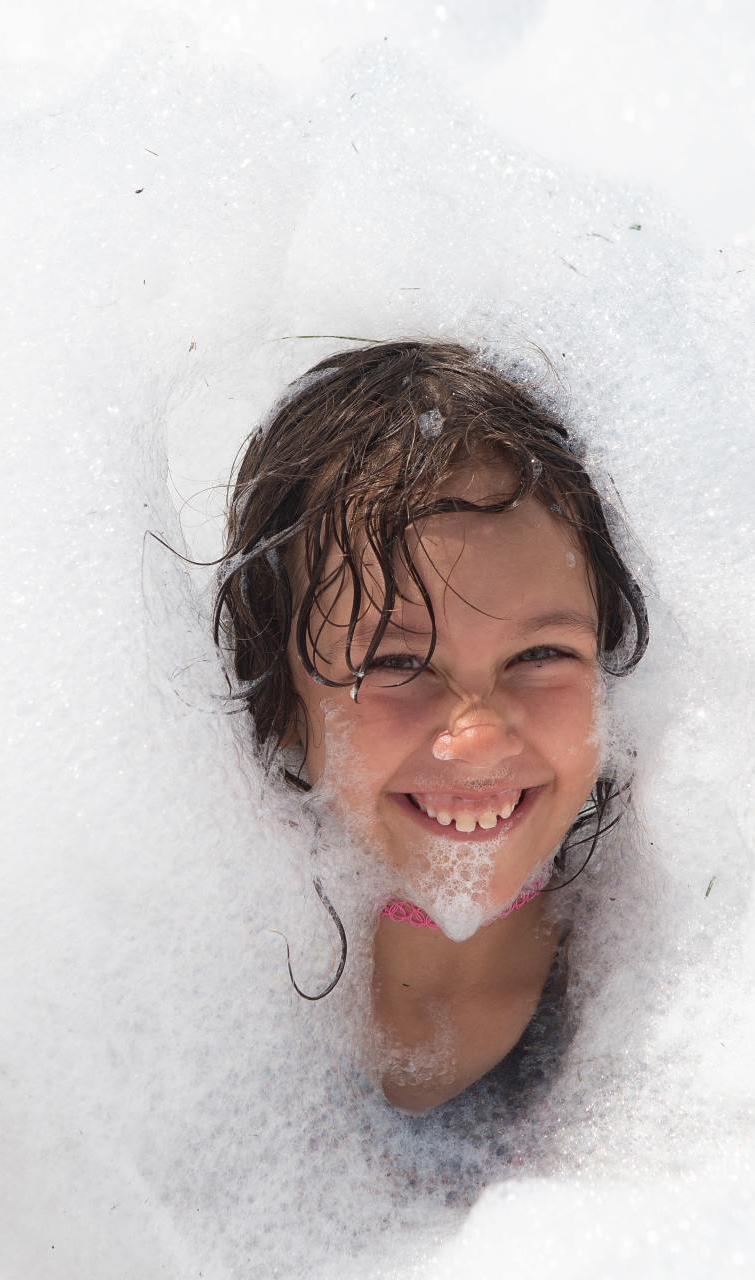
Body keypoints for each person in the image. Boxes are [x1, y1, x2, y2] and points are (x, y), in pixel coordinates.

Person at [211, 339, 648, 1113]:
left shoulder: (668, 975)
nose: (478, 737)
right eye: (396, 665)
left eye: (542, 653)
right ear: (277, 700)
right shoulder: (200, 1002)